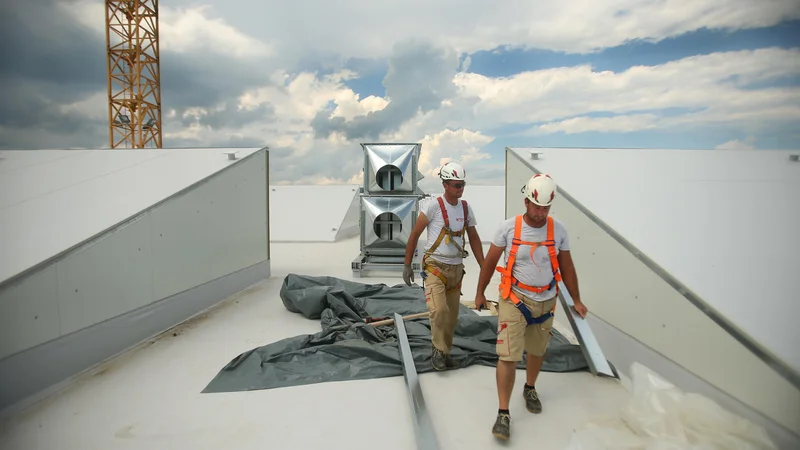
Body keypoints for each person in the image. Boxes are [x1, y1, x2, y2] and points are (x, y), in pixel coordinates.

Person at [474, 173, 588, 441]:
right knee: (508, 356)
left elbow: (567, 267)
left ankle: (530, 387)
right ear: (526, 201)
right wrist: (479, 292)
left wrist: (577, 299)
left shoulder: (558, 230)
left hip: (546, 300)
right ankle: (503, 413)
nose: (540, 213)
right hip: (515, 299)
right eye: (537, 207)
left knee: (537, 352)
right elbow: (490, 263)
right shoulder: (508, 228)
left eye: (545, 208)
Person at [403, 161, 485, 371]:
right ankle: (438, 351)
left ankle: (445, 352)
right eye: (456, 185)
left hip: (456, 271)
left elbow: (474, 238)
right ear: (445, 184)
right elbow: (414, 235)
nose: (460, 189)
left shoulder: (466, 209)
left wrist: (484, 266)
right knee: (439, 310)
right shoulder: (433, 207)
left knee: (451, 317)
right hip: (435, 267)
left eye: (462, 184)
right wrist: (407, 265)